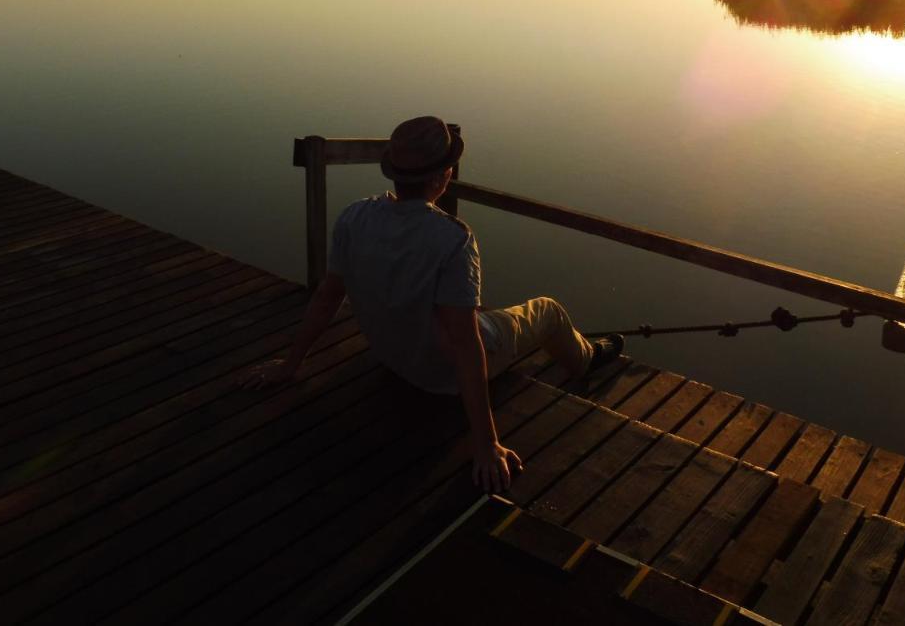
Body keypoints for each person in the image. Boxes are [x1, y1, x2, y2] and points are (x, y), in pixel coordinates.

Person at [240, 115, 624, 493]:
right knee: (548, 310)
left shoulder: (354, 217)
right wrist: (486, 444)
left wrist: (290, 365)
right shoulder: (452, 239)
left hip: (395, 358)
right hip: (443, 378)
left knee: (470, 312)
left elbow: (327, 296)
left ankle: (567, 350)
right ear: (444, 175)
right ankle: (587, 359)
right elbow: (466, 344)